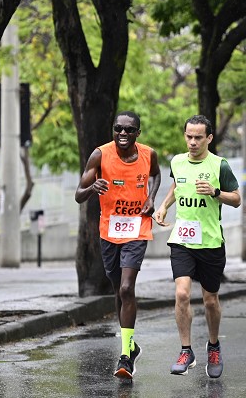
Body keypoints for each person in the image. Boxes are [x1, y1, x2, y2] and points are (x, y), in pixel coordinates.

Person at [74, 111, 161, 380]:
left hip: (137, 228)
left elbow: (156, 176)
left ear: (138, 132)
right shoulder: (100, 155)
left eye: (129, 130)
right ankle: (131, 345)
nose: (123, 134)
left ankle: (125, 357)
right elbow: (78, 194)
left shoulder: (149, 154)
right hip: (109, 232)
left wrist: (151, 197)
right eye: (118, 129)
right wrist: (92, 188)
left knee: (126, 287)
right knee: (117, 290)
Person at [154, 115, 241, 379]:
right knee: (181, 293)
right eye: (189, 136)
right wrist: (164, 205)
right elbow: (177, 184)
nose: (192, 142)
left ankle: (213, 346)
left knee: (210, 300)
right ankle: (186, 350)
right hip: (182, 239)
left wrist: (216, 192)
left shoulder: (220, 166)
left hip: (210, 242)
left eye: (198, 137)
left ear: (209, 138)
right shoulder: (177, 162)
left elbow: (236, 199)